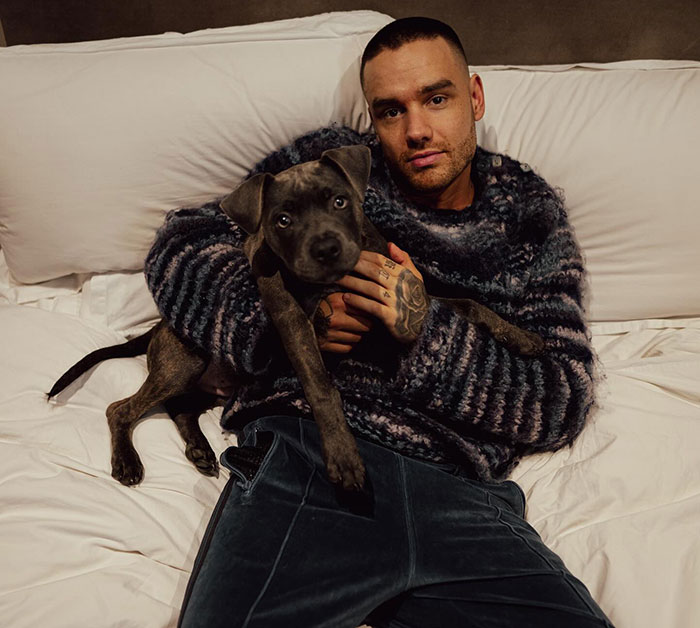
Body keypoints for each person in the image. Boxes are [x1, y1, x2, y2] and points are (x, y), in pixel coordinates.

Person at [145, 17, 614, 628]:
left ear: (474, 96)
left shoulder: (529, 215)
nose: (416, 130)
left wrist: (426, 333)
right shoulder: (329, 167)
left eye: (437, 99)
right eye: (390, 111)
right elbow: (180, 247)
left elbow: (561, 400)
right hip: (307, 454)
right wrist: (279, 334)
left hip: (459, 491)